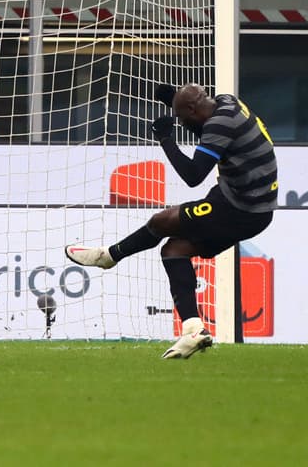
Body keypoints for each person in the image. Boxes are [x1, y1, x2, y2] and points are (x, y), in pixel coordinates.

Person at [66, 83, 277, 359]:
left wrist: (165, 138)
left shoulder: (219, 126)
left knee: (161, 221)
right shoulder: (225, 102)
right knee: (173, 250)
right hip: (247, 202)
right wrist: (176, 100)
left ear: (193, 109)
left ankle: (109, 256)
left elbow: (193, 175)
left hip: (242, 208)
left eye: (182, 119)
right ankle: (193, 330)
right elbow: (201, 121)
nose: (183, 125)